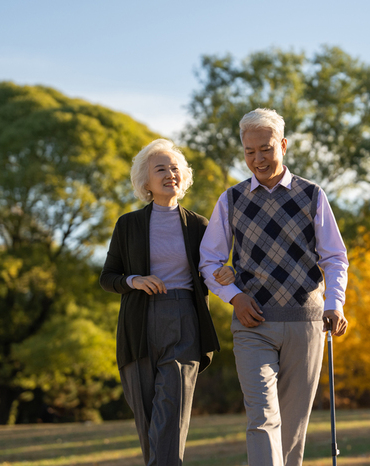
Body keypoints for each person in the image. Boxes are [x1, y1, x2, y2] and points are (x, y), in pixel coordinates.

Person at [199, 108, 349, 466]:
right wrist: (234, 298)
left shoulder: (312, 195)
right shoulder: (231, 200)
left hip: (306, 323)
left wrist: (336, 303)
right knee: (262, 419)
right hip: (254, 325)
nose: (258, 159)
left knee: (293, 428)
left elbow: (334, 257)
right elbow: (209, 260)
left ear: (283, 145)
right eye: (250, 152)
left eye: (265, 149)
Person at [100, 139, 234, 466]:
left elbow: (211, 268)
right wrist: (135, 280)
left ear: (183, 177)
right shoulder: (127, 225)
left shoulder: (200, 226)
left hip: (184, 319)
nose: (169, 174)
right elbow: (108, 277)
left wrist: (226, 274)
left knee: (170, 412)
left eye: (175, 168)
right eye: (160, 168)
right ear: (145, 181)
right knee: (149, 420)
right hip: (139, 325)